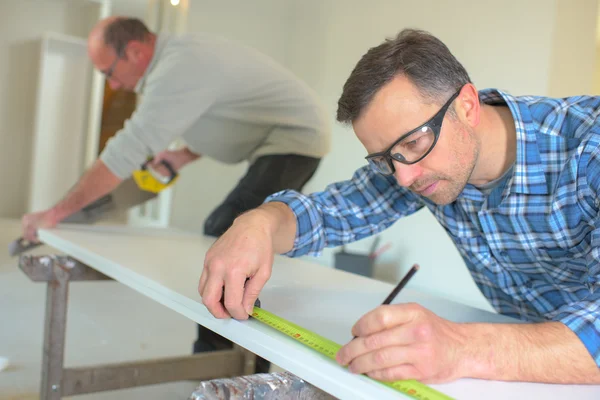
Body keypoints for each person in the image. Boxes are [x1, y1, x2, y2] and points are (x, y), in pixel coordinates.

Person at [199, 28, 600, 384]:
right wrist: (259, 224)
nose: (404, 178)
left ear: (468, 106)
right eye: (384, 160)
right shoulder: (415, 164)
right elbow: (328, 213)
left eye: (412, 144)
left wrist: (462, 347)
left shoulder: (589, 147)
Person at [21, 17, 331, 373]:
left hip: (296, 138)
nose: (113, 84)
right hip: (274, 139)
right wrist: (184, 155)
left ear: (135, 51)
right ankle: (224, 355)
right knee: (233, 231)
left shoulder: (180, 67)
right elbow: (228, 113)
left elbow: (126, 150)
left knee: (230, 231)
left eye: (108, 71)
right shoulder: (177, 65)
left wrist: (56, 213)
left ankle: (229, 365)